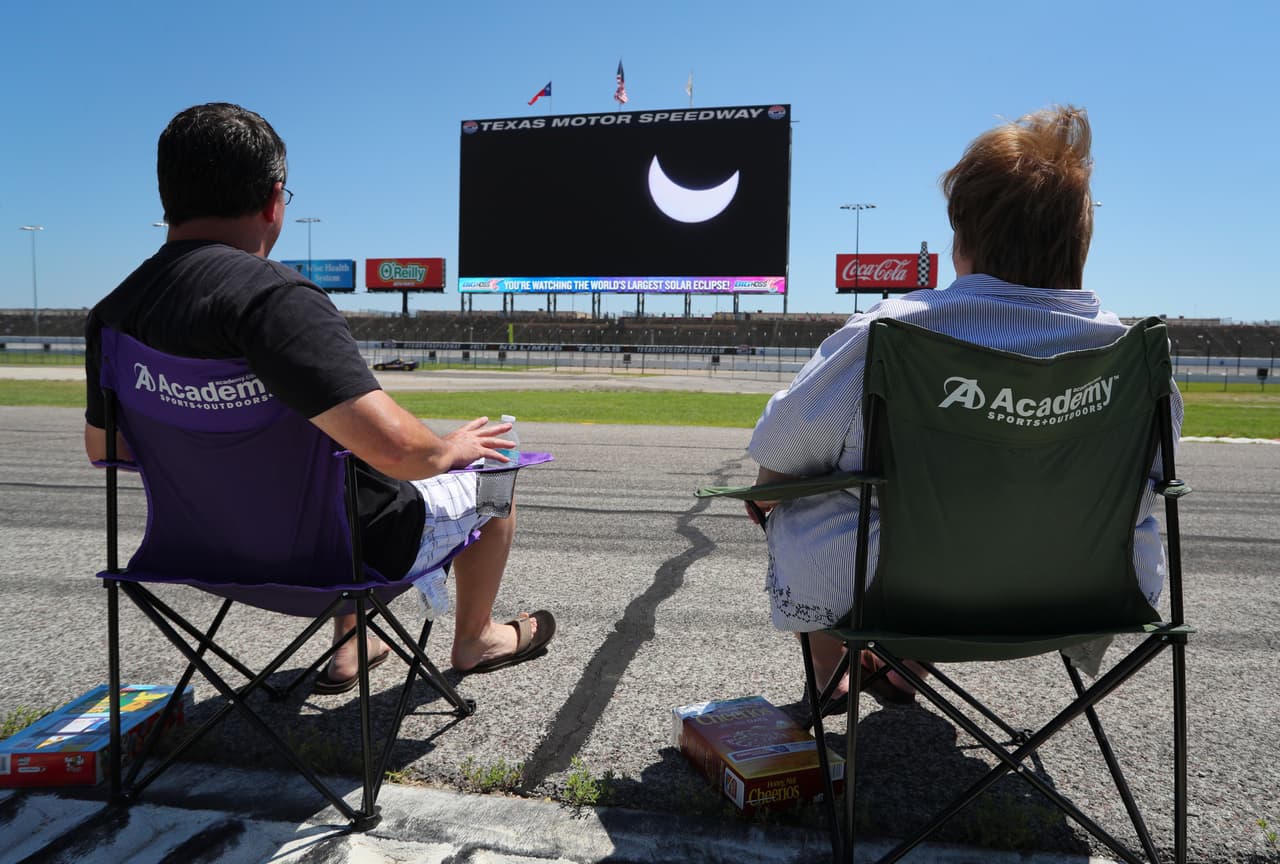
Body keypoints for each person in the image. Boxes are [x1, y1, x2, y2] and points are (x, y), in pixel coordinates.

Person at [83, 102, 555, 692]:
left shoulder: (113, 314)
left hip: (199, 554)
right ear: (274, 201)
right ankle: (476, 637)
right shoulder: (275, 299)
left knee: (332, 458)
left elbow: (107, 449)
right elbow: (401, 454)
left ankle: (353, 645)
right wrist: (450, 448)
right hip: (334, 563)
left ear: (167, 197)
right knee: (492, 469)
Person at [747, 105, 1182, 707]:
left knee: (795, 497)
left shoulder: (890, 332)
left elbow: (783, 450)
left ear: (960, 241)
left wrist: (769, 493)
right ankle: (906, 667)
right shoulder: (1133, 355)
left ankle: (832, 682)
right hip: (1087, 588)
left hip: (896, 590)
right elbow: (1157, 474)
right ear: (1081, 244)